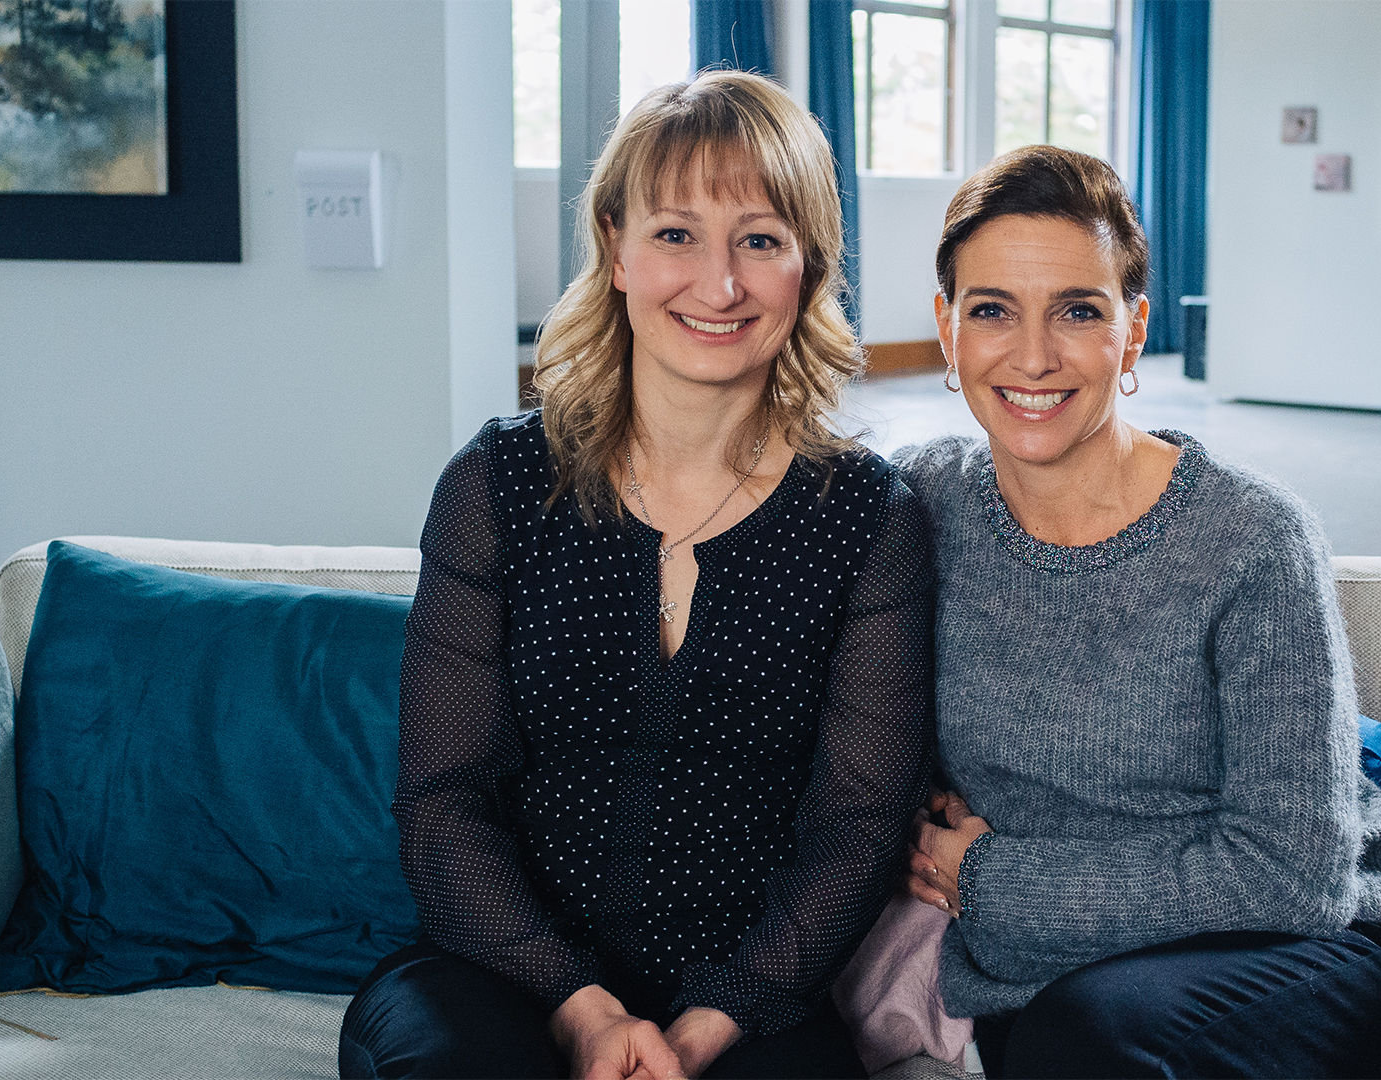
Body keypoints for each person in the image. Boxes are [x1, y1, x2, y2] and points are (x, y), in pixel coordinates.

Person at [338, 71, 934, 1080]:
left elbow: (857, 826)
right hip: (499, 977)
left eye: (760, 240)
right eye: (676, 235)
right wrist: (580, 1011)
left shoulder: (871, 518)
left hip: (749, 1004)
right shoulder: (498, 483)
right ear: (616, 248)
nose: (719, 284)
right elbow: (441, 802)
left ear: (808, 266)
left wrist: (710, 1023)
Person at [897, 145, 1381, 1079]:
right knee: (1054, 1036)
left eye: (1079, 311)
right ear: (948, 328)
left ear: (1133, 330)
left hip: (1309, 944)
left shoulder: (1253, 539)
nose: (1032, 356)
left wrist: (995, 882)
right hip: (1073, 965)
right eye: (992, 310)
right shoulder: (923, 505)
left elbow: (1292, 879)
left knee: (1085, 1040)